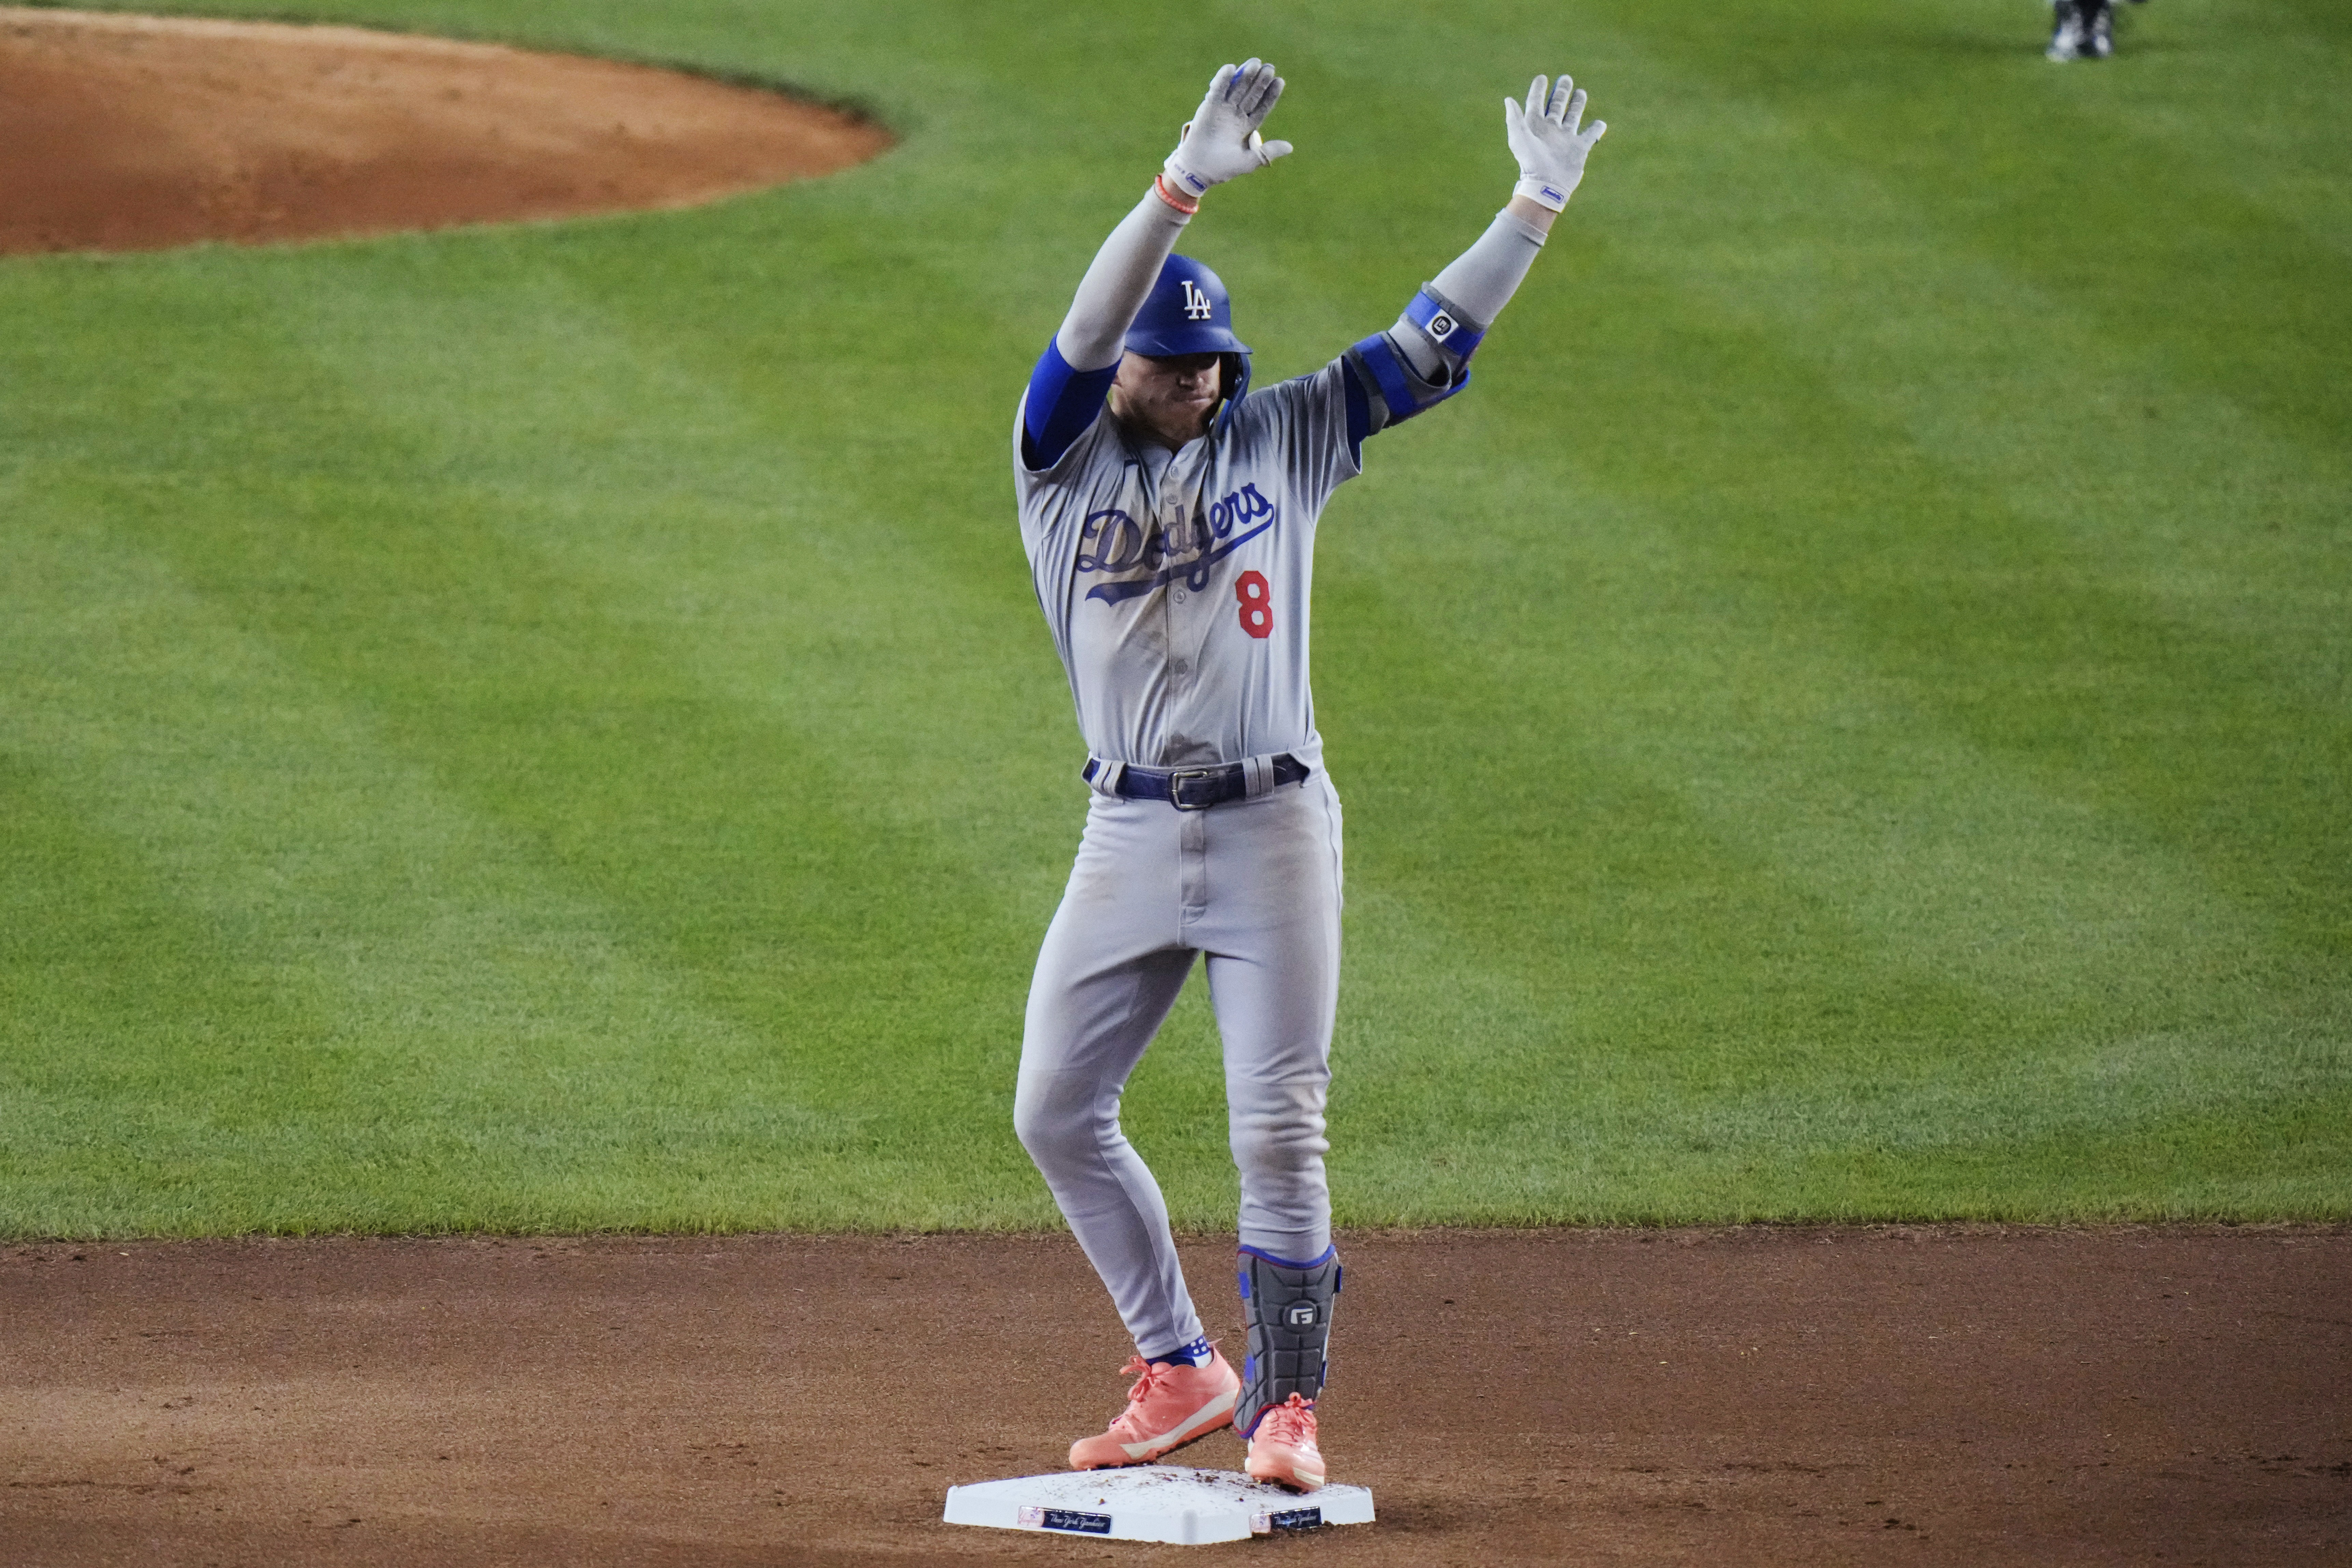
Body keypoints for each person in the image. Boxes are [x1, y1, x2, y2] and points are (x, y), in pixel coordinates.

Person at [1008, 58, 1606, 1493]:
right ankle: (1177, 1366)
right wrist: (1180, 184)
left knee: (1275, 1123)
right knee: (1051, 1109)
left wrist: (1532, 205)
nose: (1202, 380)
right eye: (1175, 363)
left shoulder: (1286, 432)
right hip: (1127, 831)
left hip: (1275, 823)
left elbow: (1429, 337)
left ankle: (1286, 1410)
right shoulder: (1057, 467)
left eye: (1216, 361)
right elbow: (1088, 326)